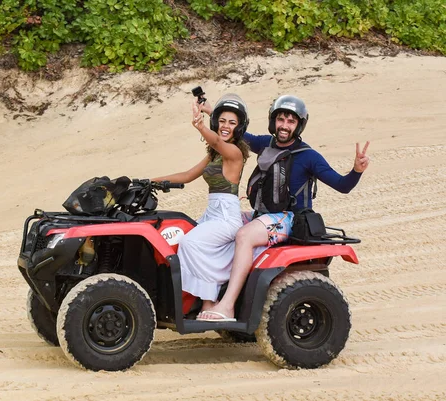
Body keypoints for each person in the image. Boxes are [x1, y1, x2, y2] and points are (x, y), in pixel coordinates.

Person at [197, 94, 371, 321]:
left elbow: (342, 185)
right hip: (263, 216)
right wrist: (213, 112)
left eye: (291, 121)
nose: (285, 126)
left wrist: (356, 170)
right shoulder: (266, 144)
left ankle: (228, 305)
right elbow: (238, 133)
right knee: (219, 223)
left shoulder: (309, 157)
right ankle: (209, 296)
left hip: (289, 219)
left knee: (244, 236)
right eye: (281, 119)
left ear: (299, 125)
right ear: (273, 121)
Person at [153, 94, 250, 322]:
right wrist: (150, 181)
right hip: (212, 213)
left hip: (226, 215)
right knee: (178, 238)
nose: (226, 126)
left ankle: (210, 302)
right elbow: (187, 175)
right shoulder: (214, 154)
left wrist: (200, 126)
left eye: (232, 123)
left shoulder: (234, 153)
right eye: (223, 121)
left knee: (191, 242)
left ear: (239, 128)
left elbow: (216, 140)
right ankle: (201, 302)